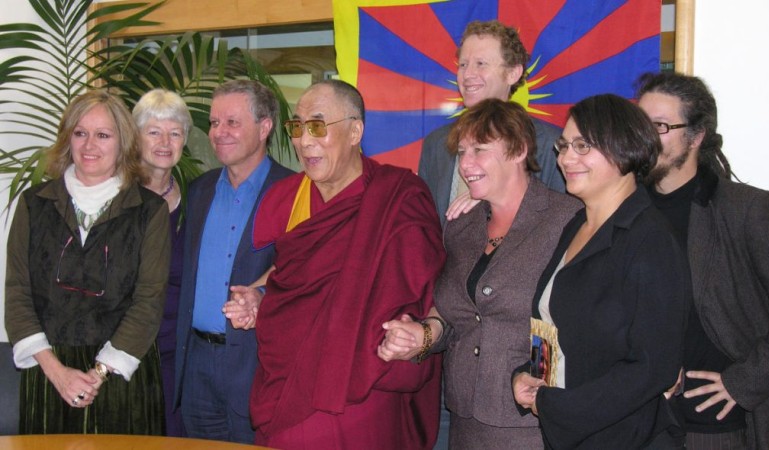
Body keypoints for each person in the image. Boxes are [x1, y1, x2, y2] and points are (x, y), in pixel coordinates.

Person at [243, 79, 445, 449]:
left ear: (355, 131)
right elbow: (289, 278)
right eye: (297, 127)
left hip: (363, 388)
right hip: (286, 382)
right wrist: (257, 293)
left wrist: (423, 335)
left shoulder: (398, 198)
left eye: (318, 126)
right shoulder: (291, 199)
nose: (304, 141)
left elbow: (429, 289)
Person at [378, 98, 580, 449]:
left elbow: (570, 320)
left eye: (480, 150)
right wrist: (420, 335)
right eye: (462, 152)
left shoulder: (566, 219)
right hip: (463, 419)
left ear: (519, 150)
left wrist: (540, 377)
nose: (465, 164)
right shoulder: (461, 228)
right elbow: (455, 314)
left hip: (531, 421)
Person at [512, 94, 689, 448]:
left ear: (625, 149)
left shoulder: (649, 238)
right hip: (569, 432)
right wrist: (530, 376)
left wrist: (557, 406)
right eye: (563, 146)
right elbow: (553, 323)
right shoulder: (576, 223)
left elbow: (653, 367)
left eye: (582, 146)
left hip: (627, 438)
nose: (565, 158)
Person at [4, 90, 170, 434]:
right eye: (80, 133)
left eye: (103, 135)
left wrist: (99, 373)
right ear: (68, 139)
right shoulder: (34, 204)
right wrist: (56, 371)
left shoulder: (149, 210)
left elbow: (148, 302)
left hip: (122, 379)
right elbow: (17, 293)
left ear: (122, 142)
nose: (89, 145)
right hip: (49, 374)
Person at [637, 72, 769, 449]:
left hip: (716, 429)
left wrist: (744, 382)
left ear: (697, 136)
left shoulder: (745, 209)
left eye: (661, 126)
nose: (647, 138)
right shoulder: (625, 208)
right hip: (640, 424)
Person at [173, 80, 293, 443]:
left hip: (257, 366)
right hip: (196, 367)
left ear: (265, 127)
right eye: (214, 123)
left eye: (232, 122)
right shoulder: (200, 190)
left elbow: (300, 276)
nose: (219, 132)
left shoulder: (294, 193)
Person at [419, 19, 565, 225]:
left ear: (513, 73)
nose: (468, 74)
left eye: (481, 64)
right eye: (463, 64)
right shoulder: (436, 144)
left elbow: (562, 221)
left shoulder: (551, 144)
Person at [132, 88, 192, 437]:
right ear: (136, 137)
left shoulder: (198, 198)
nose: (165, 141)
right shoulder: (117, 201)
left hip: (178, 357)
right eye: (154, 131)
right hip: (126, 354)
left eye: (175, 132)